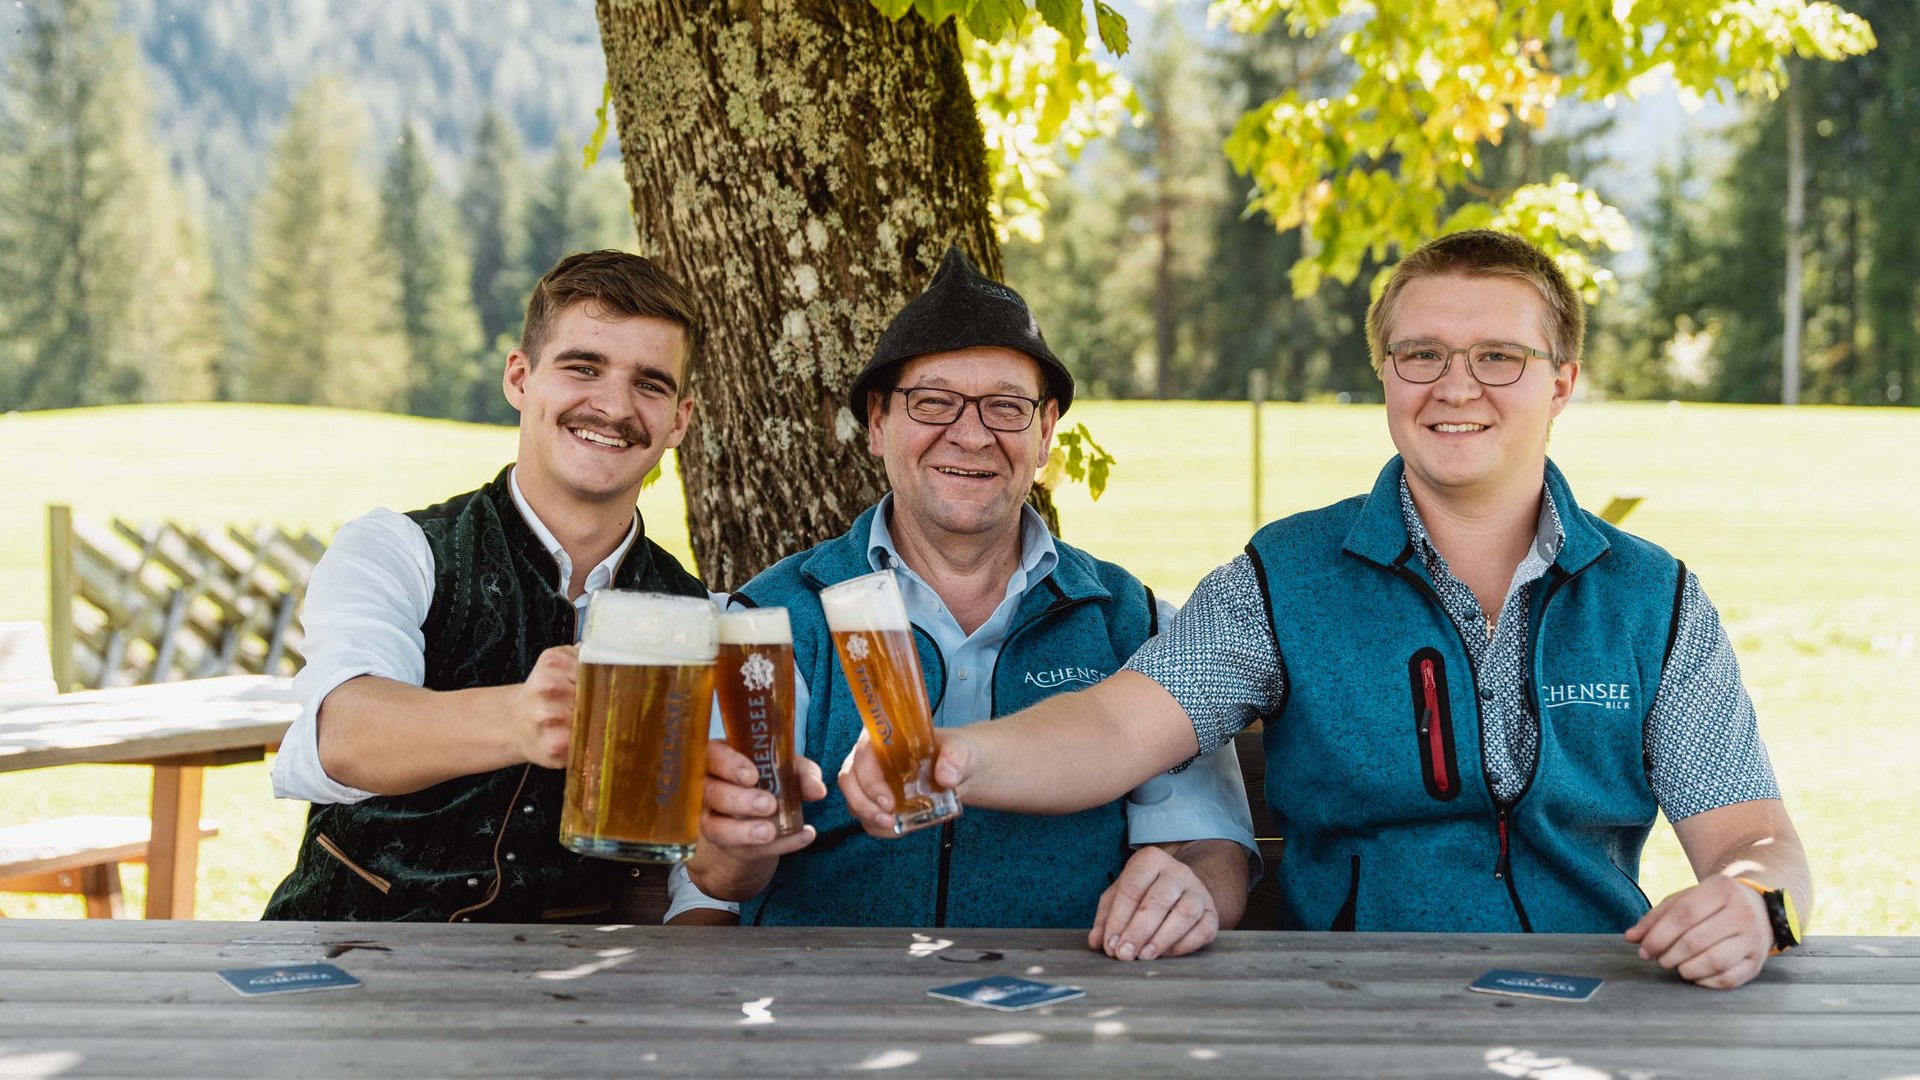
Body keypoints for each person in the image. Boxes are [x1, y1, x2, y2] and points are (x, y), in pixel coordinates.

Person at [841, 230, 1811, 987]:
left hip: (1596, 1000)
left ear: (1563, 382)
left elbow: (1754, 844)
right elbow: (1115, 723)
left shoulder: (1654, 598)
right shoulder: (1286, 574)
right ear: (1386, 375)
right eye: (1420, 354)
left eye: (1499, 358)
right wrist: (955, 756)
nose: (1455, 387)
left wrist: (1755, 907)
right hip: (1344, 1006)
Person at [676, 247, 1257, 958]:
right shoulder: (772, 620)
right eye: (934, 402)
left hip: (1070, 1006)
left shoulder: (1127, 619)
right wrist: (735, 848)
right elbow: (709, 889)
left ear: (1045, 435)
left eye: (1006, 407)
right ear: (877, 424)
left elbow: (1210, 849)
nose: (972, 433)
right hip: (826, 1015)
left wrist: (1190, 889)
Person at [264, 250, 708, 922]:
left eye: (650, 384)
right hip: (355, 967)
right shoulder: (396, 549)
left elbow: (672, 876)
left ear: (679, 420)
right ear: (520, 378)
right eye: (583, 367)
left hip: (568, 997)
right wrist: (517, 719)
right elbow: (343, 736)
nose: (615, 405)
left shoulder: (697, 615)